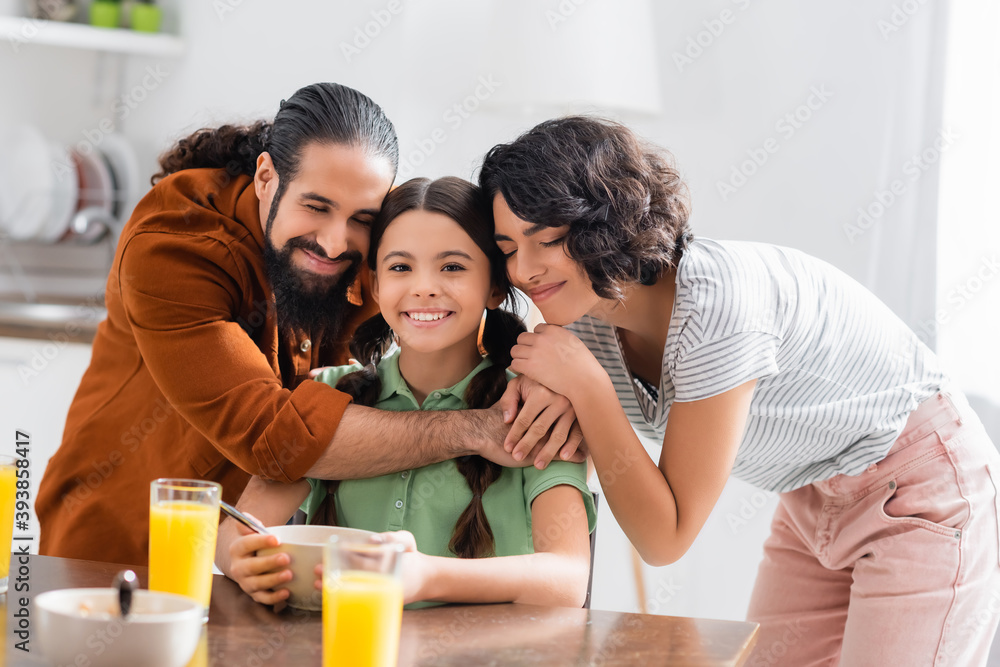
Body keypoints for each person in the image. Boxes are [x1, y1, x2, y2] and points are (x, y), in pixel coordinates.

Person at [479, 116, 1000, 666]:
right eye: (509, 248)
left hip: (919, 485)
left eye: (550, 241)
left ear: (606, 224)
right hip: (810, 494)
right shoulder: (580, 312)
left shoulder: (718, 307)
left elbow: (667, 537)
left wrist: (588, 390)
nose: (525, 270)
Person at [36, 82, 578, 567]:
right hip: (117, 554)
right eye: (316, 207)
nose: (335, 241)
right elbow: (273, 436)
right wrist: (480, 429)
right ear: (267, 177)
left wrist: (546, 371)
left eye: (361, 219)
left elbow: (436, 301)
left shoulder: (361, 246)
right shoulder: (173, 245)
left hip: (242, 574)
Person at [216, 177, 596, 609]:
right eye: (401, 267)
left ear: (494, 287)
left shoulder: (539, 409)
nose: (424, 287)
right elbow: (237, 530)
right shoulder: (326, 393)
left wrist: (427, 577)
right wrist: (238, 558)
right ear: (376, 286)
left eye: (452, 267)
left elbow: (567, 578)